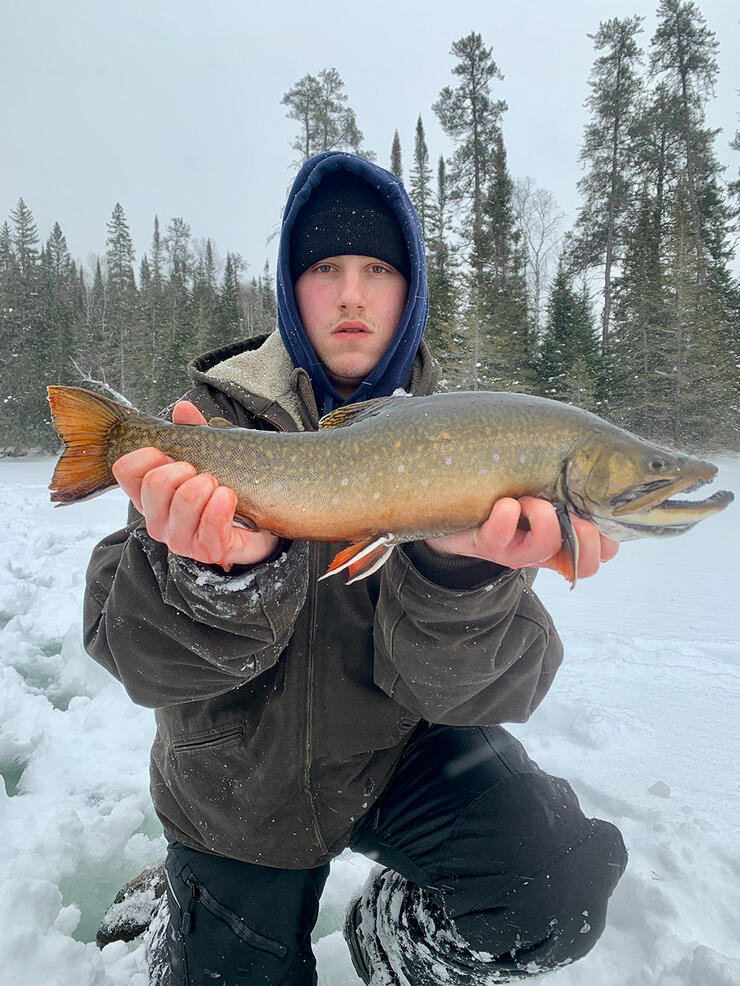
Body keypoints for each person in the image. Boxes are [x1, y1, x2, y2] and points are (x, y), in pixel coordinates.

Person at [85, 152, 627, 986]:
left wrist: (461, 578)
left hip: (398, 757)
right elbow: (130, 654)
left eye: (377, 269)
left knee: (561, 882)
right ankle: (182, 900)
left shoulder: (471, 443)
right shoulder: (213, 436)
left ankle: (386, 939)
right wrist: (217, 581)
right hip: (238, 790)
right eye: (324, 268)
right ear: (288, 288)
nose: (350, 294)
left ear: (409, 290)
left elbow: (493, 696)